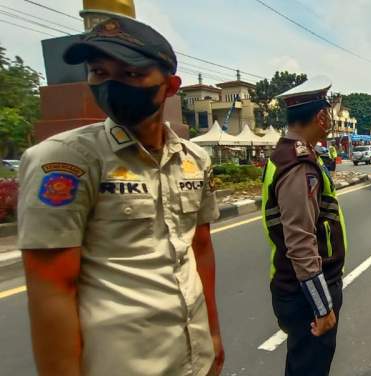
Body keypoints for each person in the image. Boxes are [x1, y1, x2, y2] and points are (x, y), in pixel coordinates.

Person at [17, 17, 223, 376]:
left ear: (170, 86)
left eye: (131, 74)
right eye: (99, 72)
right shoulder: (65, 161)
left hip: (194, 359)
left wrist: (214, 337)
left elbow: (200, 250)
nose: (112, 85)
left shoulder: (194, 160)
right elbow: (51, 289)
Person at [261, 76, 346, 376]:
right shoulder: (298, 164)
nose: (332, 120)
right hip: (306, 292)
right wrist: (322, 307)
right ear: (321, 116)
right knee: (310, 367)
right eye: (330, 113)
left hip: (295, 287)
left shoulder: (289, 154)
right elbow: (300, 240)